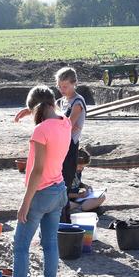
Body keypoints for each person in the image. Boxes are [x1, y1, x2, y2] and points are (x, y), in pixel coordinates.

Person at [0, 86, 71, 277]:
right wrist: (30, 110)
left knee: (21, 246)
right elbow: (48, 109)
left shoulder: (40, 131)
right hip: (59, 191)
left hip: (40, 193)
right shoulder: (64, 122)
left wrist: (25, 203)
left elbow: (37, 171)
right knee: (50, 244)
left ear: (36, 108)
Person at [14, 68, 85, 222]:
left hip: (68, 147)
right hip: (58, 146)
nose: (61, 90)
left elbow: (65, 125)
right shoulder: (61, 101)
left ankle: (63, 221)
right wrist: (31, 110)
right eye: (59, 86)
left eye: (65, 86)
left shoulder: (77, 103)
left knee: (63, 183)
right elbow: (52, 111)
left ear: (75, 84)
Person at [68, 148, 106, 213]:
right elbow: (63, 194)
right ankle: (81, 208)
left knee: (102, 196)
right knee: (65, 204)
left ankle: (80, 208)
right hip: (67, 200)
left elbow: (77, 182)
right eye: (80, 167)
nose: (81, 169)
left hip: (77, 199)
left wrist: (85, 186)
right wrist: (78, 195)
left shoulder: (78, 171)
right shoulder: (66, 171)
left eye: (83, 167)